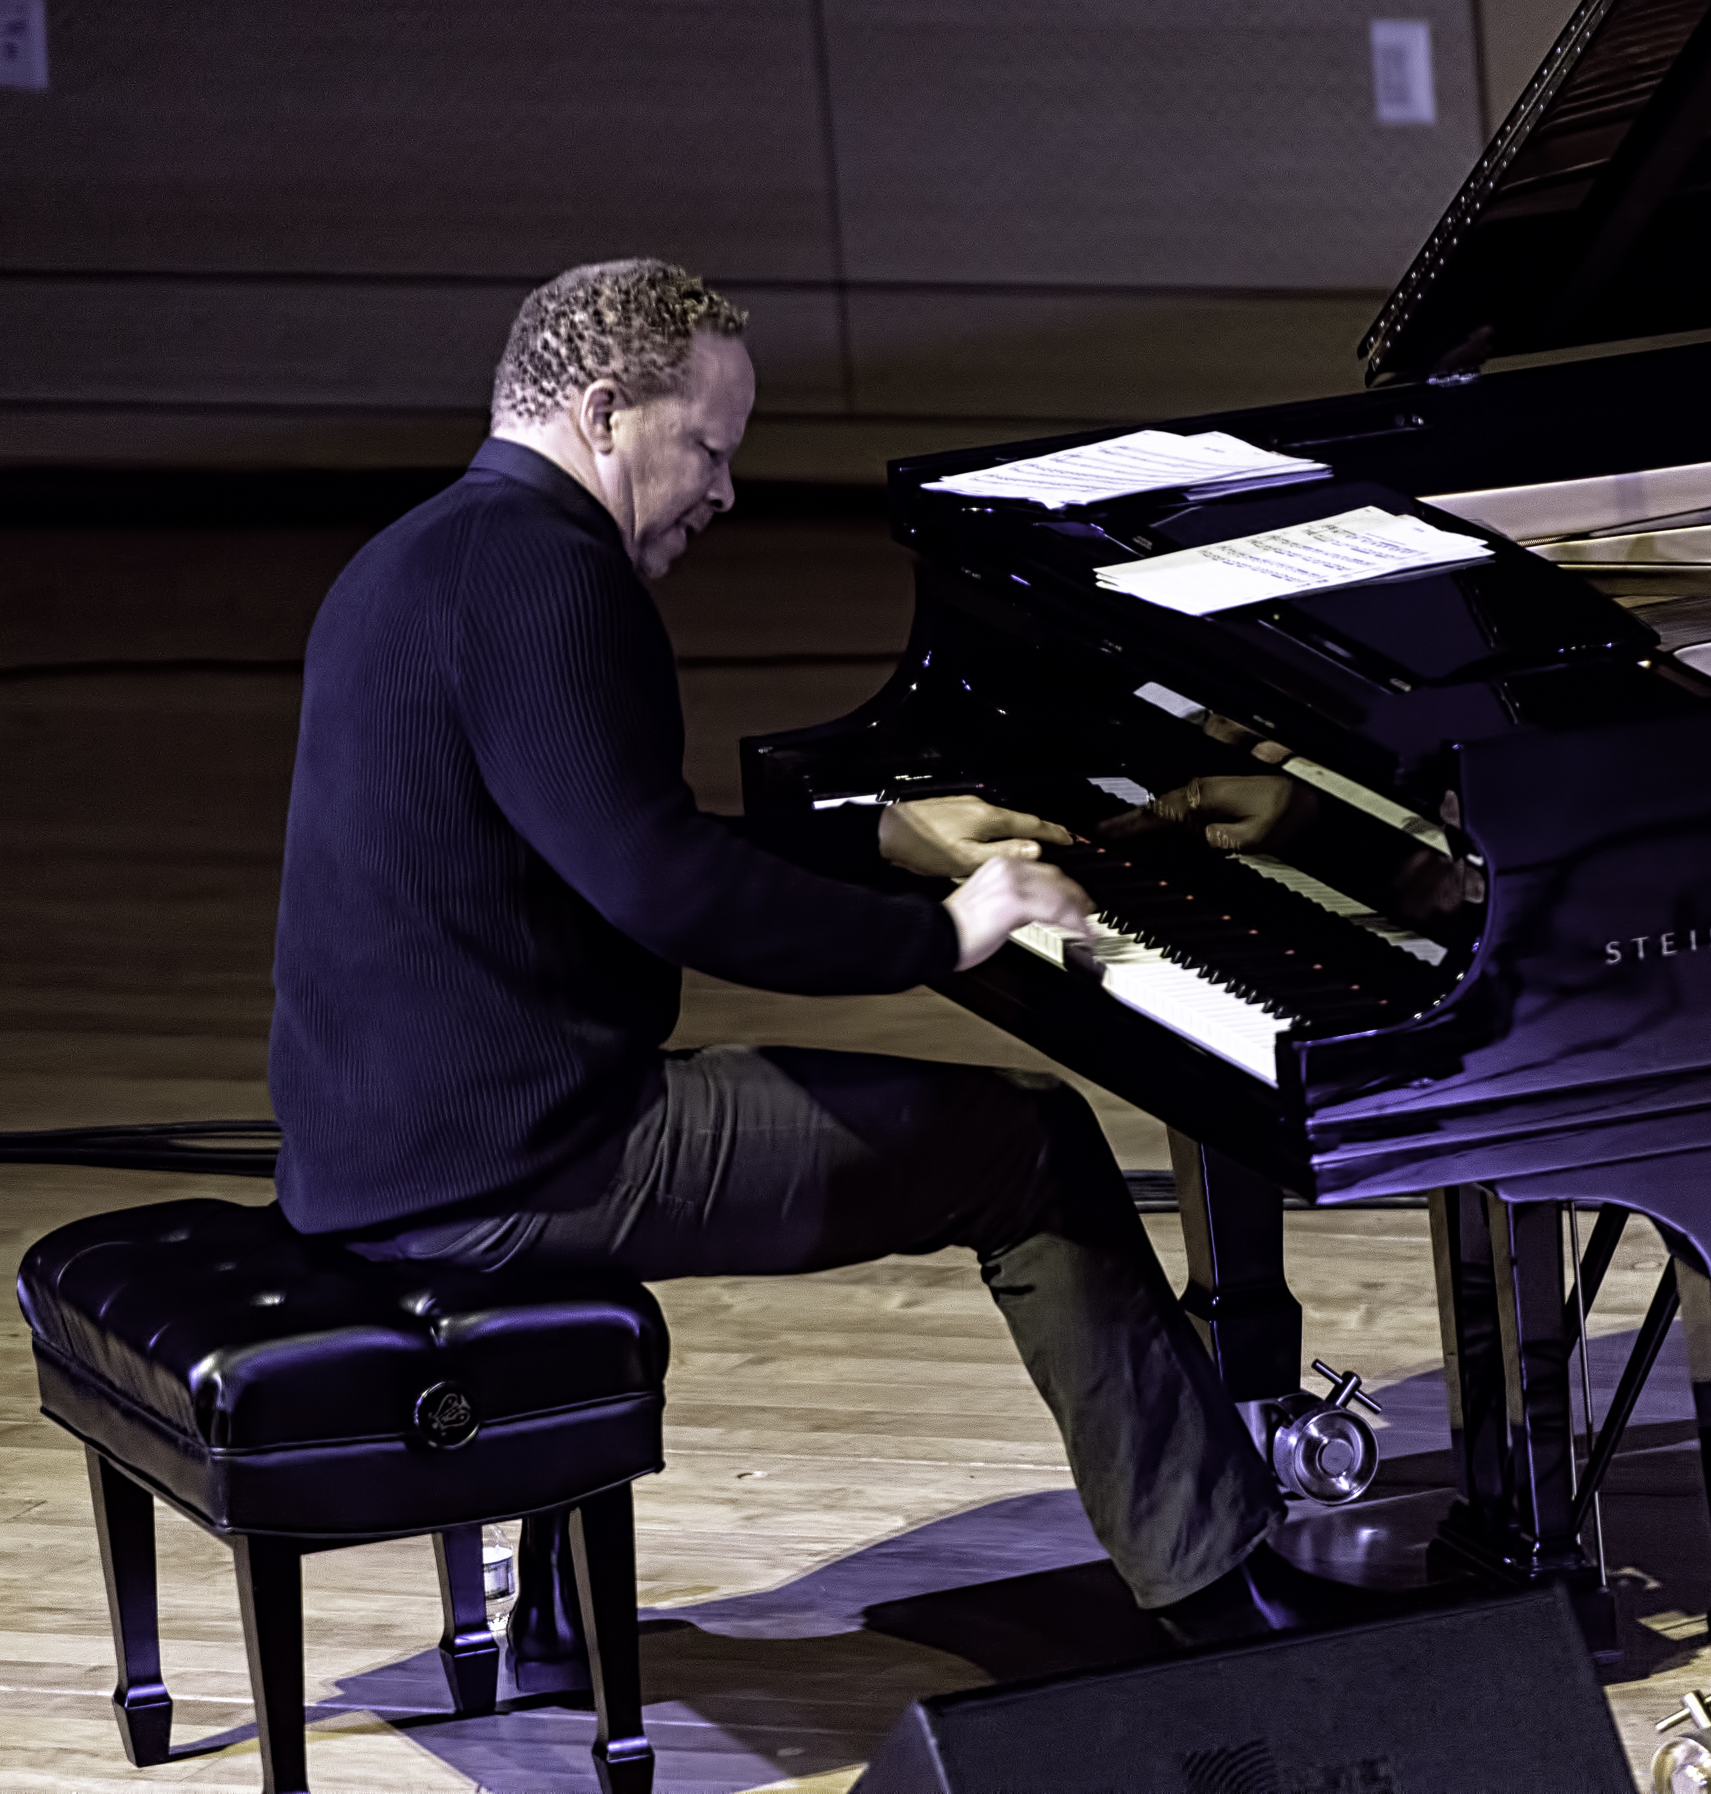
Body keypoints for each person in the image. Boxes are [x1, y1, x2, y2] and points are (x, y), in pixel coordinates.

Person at [268, 257, 1348, 1643]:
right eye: (709, 448)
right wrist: (947, 931)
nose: (725, 491)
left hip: (378, 1153)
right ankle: (1216, 1591)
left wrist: (881, 840)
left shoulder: (418, 555)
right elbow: (670, 891)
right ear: (607, 412)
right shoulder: (555, 580)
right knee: (1030, 1150)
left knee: (988, 1132)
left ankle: (542, 1612)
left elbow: (602, 837)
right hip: (524, 1166)